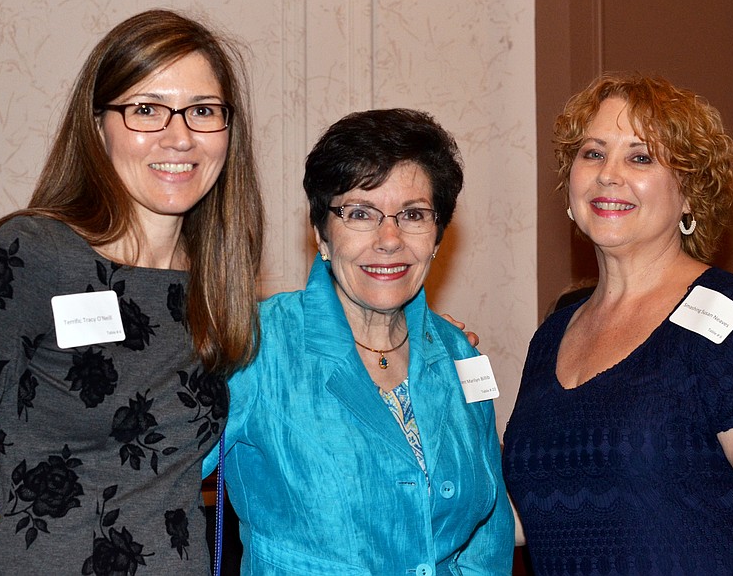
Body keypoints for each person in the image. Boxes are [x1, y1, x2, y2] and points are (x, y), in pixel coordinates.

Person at [0, 9, 263, 573]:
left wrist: (414, 339)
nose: (180, 136)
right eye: (145, 110)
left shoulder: (221, 281)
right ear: (98, 126)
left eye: (202, 111)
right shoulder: (35, 254)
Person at [502, 73, 733, 574]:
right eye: (593, 153)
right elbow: (525, 515)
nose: (608, 175)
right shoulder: (554, 335)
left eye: (640, 157)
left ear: (690, 194)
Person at [204, 108, 515, 574]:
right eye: (360, 213)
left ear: (436, 236)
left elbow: (487, 543)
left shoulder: (459, 353)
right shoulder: (255, 347)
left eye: (412, 214)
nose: (389, 239)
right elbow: (148, 486)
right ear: (321, 234)